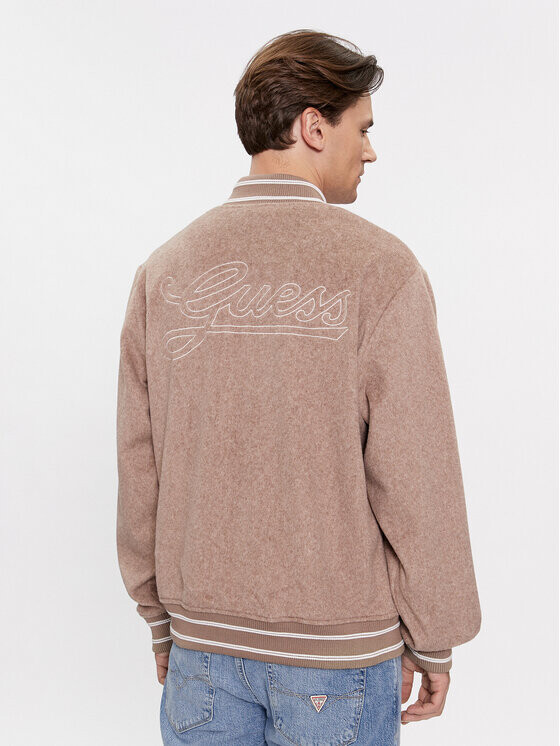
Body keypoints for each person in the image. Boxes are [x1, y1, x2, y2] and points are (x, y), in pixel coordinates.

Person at [116, 28, 482, 745]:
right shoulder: (382, 271)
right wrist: (435, 635)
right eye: (362, 129)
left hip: (200, 651)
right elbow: (417, 474)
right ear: (314, 126)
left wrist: (159, 617)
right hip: (338, 659)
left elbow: (139, 463)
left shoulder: (165, 271)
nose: (370, 151)